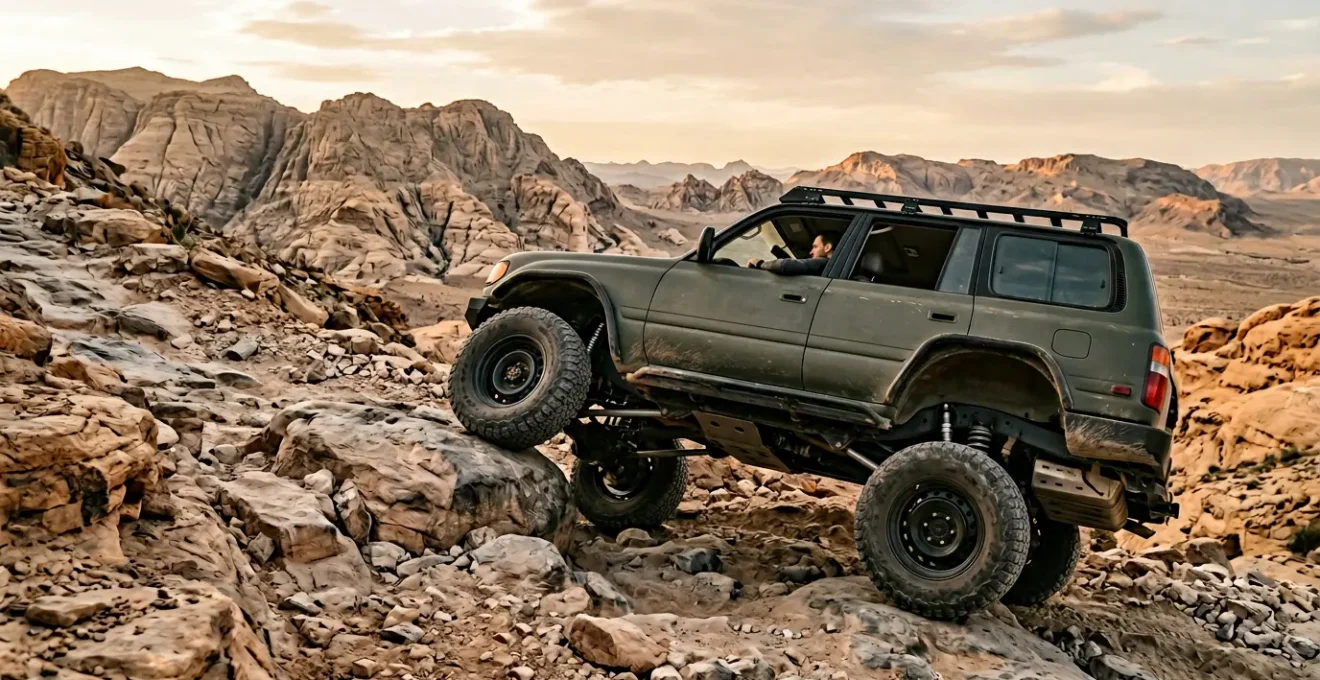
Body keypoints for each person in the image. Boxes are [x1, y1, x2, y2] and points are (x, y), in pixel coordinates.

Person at [747, 232, 836, 275]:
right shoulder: (832, 266)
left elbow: (785, 265)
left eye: (815, 247)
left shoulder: (823, 262)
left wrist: (759, 263)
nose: (811, 252)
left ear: (827, 247)